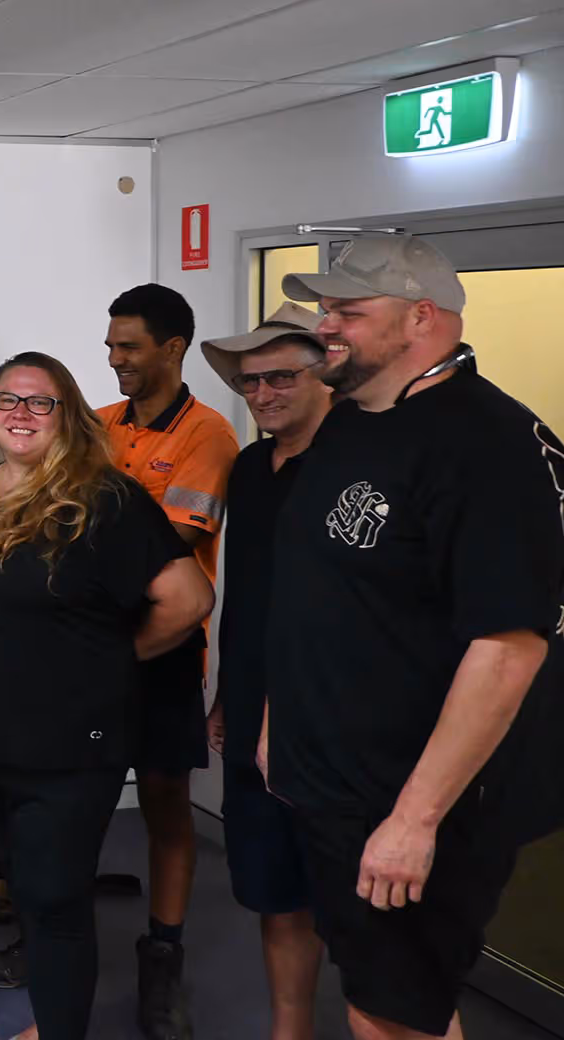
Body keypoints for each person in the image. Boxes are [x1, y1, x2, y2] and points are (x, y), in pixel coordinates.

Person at [270, 236, 561, 1040]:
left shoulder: (487, 445)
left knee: (395, 1013)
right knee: (383, 992)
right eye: (326, 308)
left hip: (414, 798)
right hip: (335, 781)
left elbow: (509, 648)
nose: (326, 326)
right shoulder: (354, 420)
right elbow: (321, 593)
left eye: (348, 312)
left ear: (422, 318)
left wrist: (414, 820)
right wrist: (277, 723)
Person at [0, 352, 213, 1040]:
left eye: (38, 402)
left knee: (56, 901)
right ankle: (54, 1022)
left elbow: (190, 597)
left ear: (67, 415)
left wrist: (106, 659)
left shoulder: (104, 499)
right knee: (29, 892)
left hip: (68, 743)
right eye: (6, 400)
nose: (19, 413)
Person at [92, 283, 238, 1040]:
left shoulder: (209, 436)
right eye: (111, 344)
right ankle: (47, 934)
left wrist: (88, 541)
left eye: (128, 348)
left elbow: (168, 553)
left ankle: (165, 956)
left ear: (173, 349)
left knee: (164, 806)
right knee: (71, 793)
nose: (112, 359)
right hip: (89, 648)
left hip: (165, 655)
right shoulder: (99, 424)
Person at [198, 305, 334, 1040]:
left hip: (334, 724)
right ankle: (292, 1030)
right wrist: (227, 697)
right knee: (276, 893)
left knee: (365, 911)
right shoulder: (250, 467)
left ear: (325, 376)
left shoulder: (358, 467)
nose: (263, 394)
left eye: (281, 376)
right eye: (250, 382)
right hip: (252, 711)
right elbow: (246, 597)